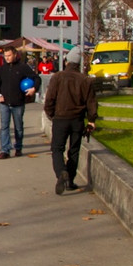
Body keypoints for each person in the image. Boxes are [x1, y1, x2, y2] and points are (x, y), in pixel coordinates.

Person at [43, 47, 98, 195]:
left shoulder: (57, 77)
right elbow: (91, 102)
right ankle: (70, 180)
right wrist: (91, 120)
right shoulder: (85, 80)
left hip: (60, 118)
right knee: (74, 150)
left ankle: (61, 172)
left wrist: (51, 114)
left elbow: (50, 99)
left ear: (66, 61)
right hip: (77, 120)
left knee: (57, 149)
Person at [0, 46, 40, 159]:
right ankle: (5, 150)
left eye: (9, 56)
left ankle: (18, 147)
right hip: (4, 103)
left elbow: (37, 78)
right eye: (5, 56)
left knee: (18, 127)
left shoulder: (23, 67)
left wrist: (34, 89)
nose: (7, 58)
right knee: (4, 127)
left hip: (18, 103)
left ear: (14, 55)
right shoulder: (2, 69)